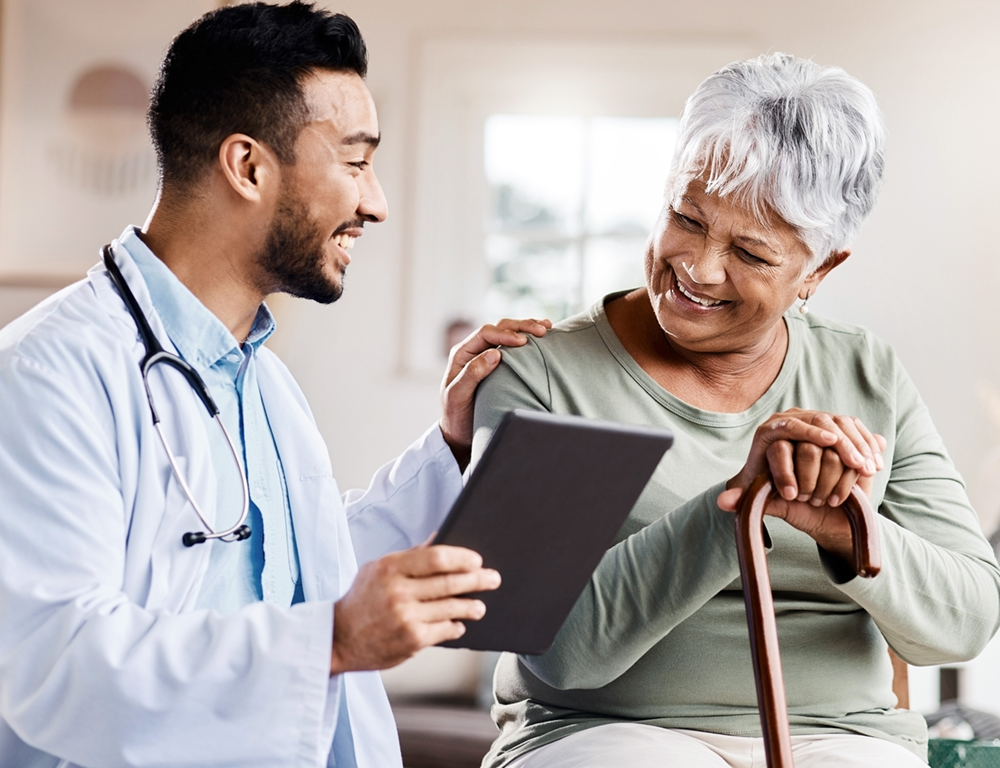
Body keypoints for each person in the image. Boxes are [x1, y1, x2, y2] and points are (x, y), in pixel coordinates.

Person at [0, 3, 550, 767]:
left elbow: (306, 572)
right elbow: (53, 664)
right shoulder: (46, 375)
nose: (376, 202)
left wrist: (453, 447)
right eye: (356, 162)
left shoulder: (262, 378)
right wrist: (331, 639)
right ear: (248, 166)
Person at [472, 53, 1000, 768]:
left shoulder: (864, 371)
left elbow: (966, 621)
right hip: (602, 734)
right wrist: (735, 507)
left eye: (750, 253)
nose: (699, 267)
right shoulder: (545, 374)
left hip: (841, 738)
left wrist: (851, 530)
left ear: (819, 269)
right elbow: (557, 650)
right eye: (685, 217)